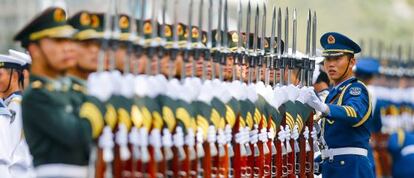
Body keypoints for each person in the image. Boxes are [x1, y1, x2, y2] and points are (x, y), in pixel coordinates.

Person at [14, 7, 104, 177]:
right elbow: (77, 135)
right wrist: (98, 99)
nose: (67, 47)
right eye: (58, 41)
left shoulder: (66, 91)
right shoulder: (36, 96)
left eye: (69, 40)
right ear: (34, 50)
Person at [301, 32, 374, 178]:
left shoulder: (356, 89)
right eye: (328, 59)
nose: (331, 64)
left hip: (351, 167)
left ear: (352, 62)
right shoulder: (334, 93)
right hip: (335, 166)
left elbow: (354, 112)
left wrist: (324, 108)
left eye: (337, 58)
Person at [0, 51, 35, 177]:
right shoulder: (10, 103)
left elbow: (8, 147)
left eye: (0, 75)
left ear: (14, 76)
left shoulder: (17, 105)